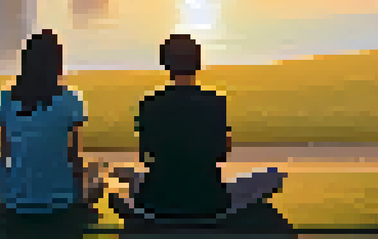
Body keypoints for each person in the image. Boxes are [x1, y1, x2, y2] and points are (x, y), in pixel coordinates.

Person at [110, 34, 285, 223]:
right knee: (272, 176)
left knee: (134, 184)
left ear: (165, 65)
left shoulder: (149, 104)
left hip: (156, 201)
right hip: (209, 201)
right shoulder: (215, 102)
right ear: (198, 62)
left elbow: (145, 157)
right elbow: (221, 155)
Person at [0, 30, 107, 215]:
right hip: (61, 200)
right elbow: (74, 157)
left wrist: (5, 190)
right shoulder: (70, 99)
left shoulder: (7, 99)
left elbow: (6, 153)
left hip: (14, 199)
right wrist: (80, 197)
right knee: (97, 175)